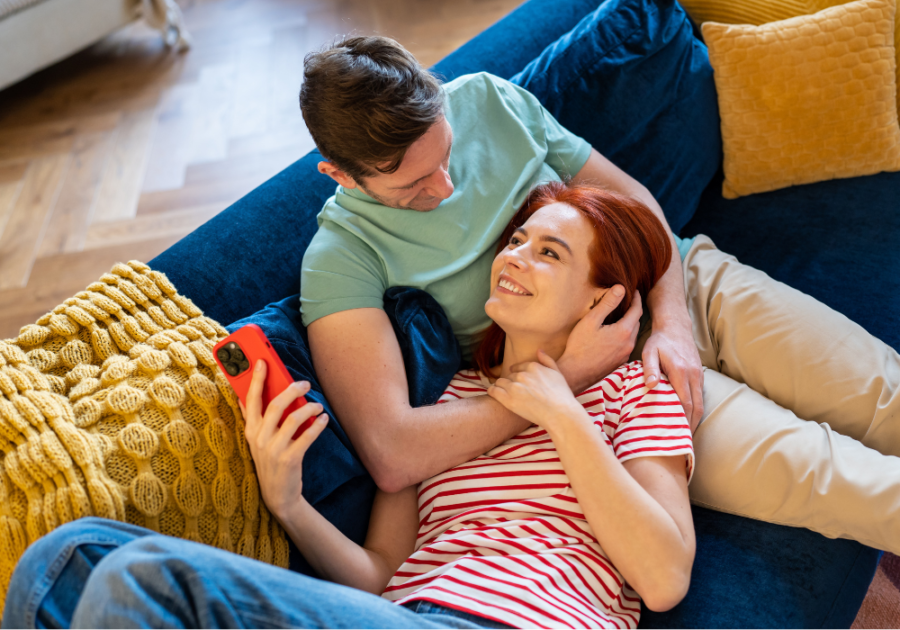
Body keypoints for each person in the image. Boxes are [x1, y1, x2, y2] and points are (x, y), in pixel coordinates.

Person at [298, 36, 900, 552]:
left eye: (446, 152)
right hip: (610, 396)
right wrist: (565, 379)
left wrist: (671, 323)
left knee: (885, 394)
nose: (447, 184)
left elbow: (632, 199)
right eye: (414, 182)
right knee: (847, 484)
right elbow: (392, 452)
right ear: (342, 174)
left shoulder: (486, 97)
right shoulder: (341, 260)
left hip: (676, 280)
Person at [4, 182, 695, 629]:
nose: (514, 258)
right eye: (516, 240)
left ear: (606, 300)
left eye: (549, 253)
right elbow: (379, 575)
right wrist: (289, 503)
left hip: (519, 621)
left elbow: (662, 578)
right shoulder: (446, 401)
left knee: (139, 579)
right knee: (62, 558)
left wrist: (563, 408)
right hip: (398, 615)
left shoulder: (629, 397)